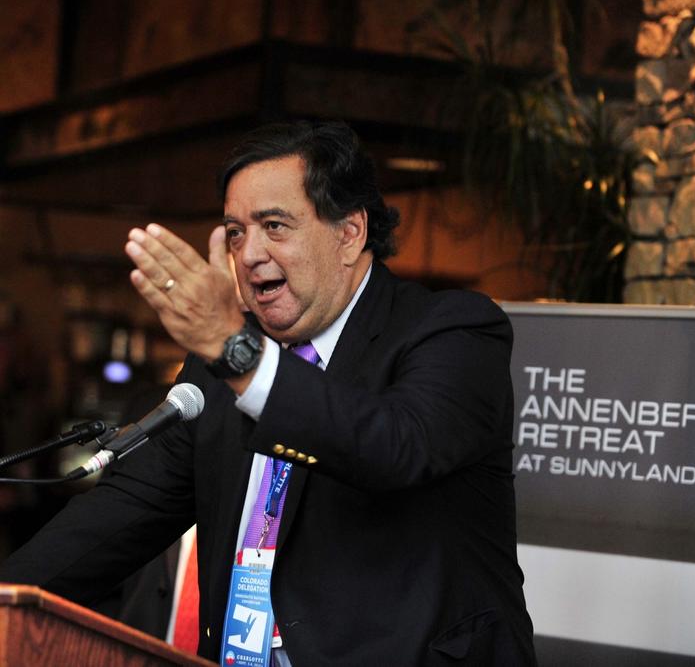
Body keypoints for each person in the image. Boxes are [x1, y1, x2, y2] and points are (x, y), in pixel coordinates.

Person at [0, 120, 536, 665]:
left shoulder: (454, 329)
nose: (249, 253)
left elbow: (394, 447)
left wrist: (237, 353)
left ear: (350, 233)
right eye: (235, 232)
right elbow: (121, 515)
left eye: (274, 226)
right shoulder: (218, 367)